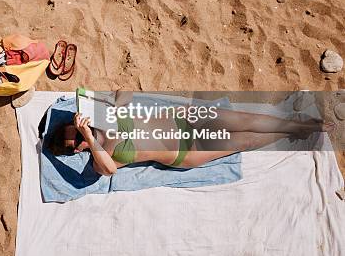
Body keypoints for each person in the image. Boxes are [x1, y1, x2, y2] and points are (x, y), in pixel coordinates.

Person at [46, 102, 334, 176]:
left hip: (185, 118)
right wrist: (89, 137)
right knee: (243, 140)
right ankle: (290, 133)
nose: (82, 136)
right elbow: (108, 171)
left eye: (75, 130)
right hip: (186, 150)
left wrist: (100, 106)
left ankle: (297, 126)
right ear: (79, 151)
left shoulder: (101, 115)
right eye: (78, 143)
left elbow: (125, 97)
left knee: (244, 119)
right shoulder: (99, 160)